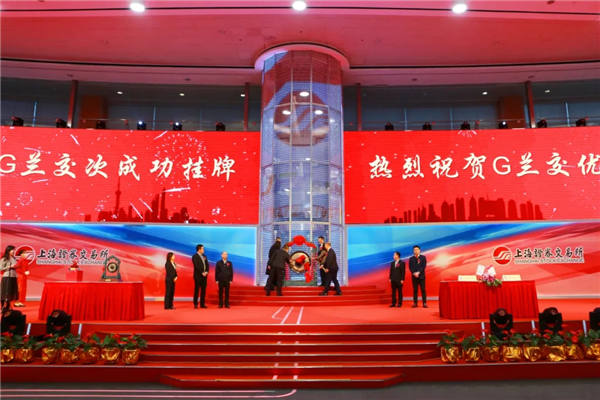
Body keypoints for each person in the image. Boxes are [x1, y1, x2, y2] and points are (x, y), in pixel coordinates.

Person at [1, 245, 19, 311]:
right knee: (5, 293)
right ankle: (3, 306)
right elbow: (1, 268)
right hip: (7, 277)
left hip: (13, 276)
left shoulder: (14, 258)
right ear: (8, 250)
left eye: (14, 250)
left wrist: (16, 266)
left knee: (11, 293)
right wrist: (9, 267)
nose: (13, 251)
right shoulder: (4, 258)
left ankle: (8, 306)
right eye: (12, 250)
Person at [192, 244, 209, 309]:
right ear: (199, 249)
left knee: (203, 290)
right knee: (197, 290)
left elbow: (207, 265)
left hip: (204, 275)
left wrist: (206, 271)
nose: (203, 250)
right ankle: (195, 304)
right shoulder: (195, 256)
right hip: (198, 276)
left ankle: (202, 304)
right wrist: (202, 272)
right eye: (202, 248)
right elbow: (196, 265)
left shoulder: (204, 256)